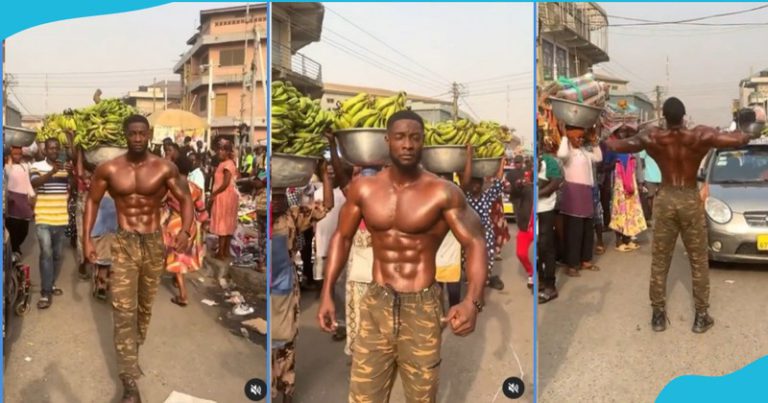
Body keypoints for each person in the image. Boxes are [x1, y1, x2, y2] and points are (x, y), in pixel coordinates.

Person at [317, 110, 488, 402]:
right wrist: (326, 293)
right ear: (387, 140)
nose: (407, 144)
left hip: (421, 307)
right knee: (363, 397)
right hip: (375, 303)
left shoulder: (442, 192)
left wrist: (473, 301)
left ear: (423, 142)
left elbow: (475, 242)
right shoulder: (365, 189)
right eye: (400, 137)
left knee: (421, 399)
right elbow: (342, 237)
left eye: (414, 138)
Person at [605, 98, 760, 334]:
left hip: (666, 197)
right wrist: (750, 125)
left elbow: (618, 146)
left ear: (664, 117)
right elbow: (740, 139)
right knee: (698, 260)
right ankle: (701, 316)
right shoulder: (699, 136)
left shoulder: (652, 137)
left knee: (660, 260)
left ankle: (658, 316)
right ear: (684, 115)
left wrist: (600, 135)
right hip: (689, 197)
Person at [84, 114, 193, 402]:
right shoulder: (110, 168)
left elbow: (185, 199)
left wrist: (187, 229)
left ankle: (132, 352)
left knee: (143, 309)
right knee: (122, 310)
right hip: (124, 243)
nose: (136, 138)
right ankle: (129, 381)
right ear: (125, 135)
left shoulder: (164, 167)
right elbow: (92, 201)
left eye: (141, 133)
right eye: (131, 133)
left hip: (154, 243)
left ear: (149, 134)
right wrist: (86, 240)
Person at [271, 162, 333, 403]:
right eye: (270, 195)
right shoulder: (260, 218)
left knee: (286, 342)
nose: (275, 200)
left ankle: (287, 391)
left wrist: (325, 172)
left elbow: (327, 205)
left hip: (286, 290)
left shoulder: (293, 215)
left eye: (279, 196)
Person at [163, 151, 209, 306]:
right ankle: (177, 281)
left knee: (177, 258)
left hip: (175, 224)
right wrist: (204, 224)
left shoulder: (170, 187)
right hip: (191, 225)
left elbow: (161, 204)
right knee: (182, 255)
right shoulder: (196, 188)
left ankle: (183, 294)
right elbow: (201, 210)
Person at [30, 138, 72, 309]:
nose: (54, 151)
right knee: (46, 252)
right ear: (45, 150)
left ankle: (50, 283)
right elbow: (34, 183)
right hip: (43, 218)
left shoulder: (65, 168)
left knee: (56, 255)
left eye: (56, 148)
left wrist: (72, 173)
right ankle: (45, 293)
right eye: (51, 148)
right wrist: (51, 172)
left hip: (60, 219)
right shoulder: (37, 166)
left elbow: (75, 187)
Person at [557, 125, 603, 277]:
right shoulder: (568, 152)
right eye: (577, 137)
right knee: (574, 231)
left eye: (582, 137)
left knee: (586, 229)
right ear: (570, 137)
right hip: (573, 192)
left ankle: (585, 260)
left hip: (586, 193)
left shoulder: (584, 152)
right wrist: (564, 136)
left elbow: (598, 158)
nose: (580, 140)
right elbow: (561, 154)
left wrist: (594, 142)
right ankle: (572, 264)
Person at [461, 146, 507, 290]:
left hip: (486, 235)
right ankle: (474, 284)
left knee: (486, 262)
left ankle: (481, 285)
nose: (475, 186)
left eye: (477, 184)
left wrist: (501, 163)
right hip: (469, 234)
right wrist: (469, 156)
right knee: (468, 262)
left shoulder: (486, 197)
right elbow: (465, 179)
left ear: (481, 185)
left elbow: (498, 182)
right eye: (472, 183)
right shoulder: (464, 197)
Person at [608, 126, 647, 252]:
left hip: (631, 183)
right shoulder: (613, 148)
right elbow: (605, 166)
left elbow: (638, 166)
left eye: (625, 131)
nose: (623, 134)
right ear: (616, 133)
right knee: (619, 212)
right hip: (618, 186)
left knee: (630, 212)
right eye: (621, 131)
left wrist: (640, 183)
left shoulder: (632, 149)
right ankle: (619, 241)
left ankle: (627, 239)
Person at [538, 137, 563, 303]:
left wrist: (538, 193)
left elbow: (556, 182)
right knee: (537, 248)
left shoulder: (549, 162)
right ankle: (540, 280)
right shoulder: (529, 162)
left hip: (546, 208)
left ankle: (550, 286)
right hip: (532, 212)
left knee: (547, 247)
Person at [209, 139, 239, 260]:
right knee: (227, 223)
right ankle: (224, 251)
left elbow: (226, 183)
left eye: (222, 150)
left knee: (223, 223)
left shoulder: (228, 164)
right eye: (218, 149)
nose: (219, 152)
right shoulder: (225, 163)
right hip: (226, 195)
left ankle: (221, 252)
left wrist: (214, 193)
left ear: (227, 152)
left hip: (224, 196)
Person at [508, 157, 534, 288]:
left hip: (539, 225)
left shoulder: (540, 187)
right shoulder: (512, 175)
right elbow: (511, 190)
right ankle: (531, 273)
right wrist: (518, 185)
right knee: (521, 253)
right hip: (524, 225)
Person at [5, 146, 36, 256]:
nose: (17, 156)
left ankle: (15, 248)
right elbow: (6, 181)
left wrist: (32, 196)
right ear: (10, 154)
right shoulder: (7, 167)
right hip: (12, 200)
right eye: (15, 154)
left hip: (23, 201)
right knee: (13, 229)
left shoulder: (25, 166)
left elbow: (28, 182)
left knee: (24, 231)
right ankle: (13, 251)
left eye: (19, 154)